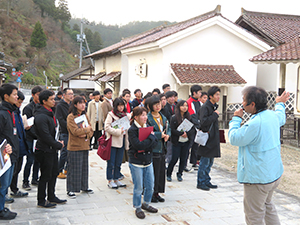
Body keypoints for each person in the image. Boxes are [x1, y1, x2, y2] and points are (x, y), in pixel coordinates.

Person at [228, 87, 289, 225]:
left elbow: (235, 138)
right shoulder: (272, 116)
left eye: (244, 100)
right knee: (268, 206)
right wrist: (279, 103)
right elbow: (281, 116)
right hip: (273, 173)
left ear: (253, 104)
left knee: (254, 215)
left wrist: (236, 119)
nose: (242, 103)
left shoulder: (255, 123)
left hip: (258, 178)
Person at [34, 90, 66, 208]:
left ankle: (51, 196)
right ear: (44, 101)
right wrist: (57, 145)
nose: (54, 101)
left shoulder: (50, 112)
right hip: (44, 150)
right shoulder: (41, 116)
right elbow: (45, 135)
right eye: (52, 99)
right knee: (45, 175)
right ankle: (41, 200)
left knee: (53, 173)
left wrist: (57, 143)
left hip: (52, 149)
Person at [128, 107, 158, 219]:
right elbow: (138, 145)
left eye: (145, 115)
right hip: (136, 162)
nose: (145, 117)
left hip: (148, 160)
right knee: (138, 187)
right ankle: (138, 207)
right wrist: (150, 138)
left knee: (150, 185)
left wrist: (149, 141)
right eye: (142, 115)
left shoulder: (148, 127)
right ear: (136, 117)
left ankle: (146, 203)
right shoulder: (132, 130)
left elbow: (155, 142)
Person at [66, 96, 94, 199]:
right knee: (73, 169)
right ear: (75, 105)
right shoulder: (71, 117)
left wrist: (85, 133)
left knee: (84, 168)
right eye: (80, 103)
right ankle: (71, 189)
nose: (83, 105)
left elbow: (91, 130)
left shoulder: (85, 115)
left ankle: (84, 186)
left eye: (84, 103)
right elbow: (75, 132)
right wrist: (86, 131)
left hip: (85, 145)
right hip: (74, 146)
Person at [0, 83, 19, 220]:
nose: (17, 97)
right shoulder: (2, 113)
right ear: (6, 96)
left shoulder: (10, 111)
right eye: (14, 94)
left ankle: (2, 206)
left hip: (11, 154)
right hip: (4, 154)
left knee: (5, 184)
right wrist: (5, 146)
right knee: (2, 184)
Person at [147, 95, 170, 203]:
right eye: (155, 104)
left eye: (159, 104)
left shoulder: (163, 117)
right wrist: (159, 135)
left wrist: (167, 135)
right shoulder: (148, 118)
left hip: (162, 148)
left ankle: (157, 192)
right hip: (154, 148)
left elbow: (167, 129)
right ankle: (151, 193)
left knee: (161, 172)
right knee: (153, 173)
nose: (158, 106)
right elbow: (147, 132)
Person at [197, 86, 221, 191]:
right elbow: (204, 122)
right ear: (210, 96)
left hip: (213, 138)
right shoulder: (205, 107)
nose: (218, 97)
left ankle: (207, 180)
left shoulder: (213, 106)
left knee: (210, 162)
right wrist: (215, 115)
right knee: (204, 161)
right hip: (207, 138)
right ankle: (201, 182)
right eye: (216, 95)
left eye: (219, 94)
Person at [104, 98, 131, 189]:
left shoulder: (125, 116)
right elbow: (107, 127)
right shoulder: (111, 115)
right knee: (111, 162)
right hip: (113, 142)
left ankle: (116, 178)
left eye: (122, 105)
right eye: (119, 105)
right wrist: (118, 131)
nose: (121, 107)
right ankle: (110, 180)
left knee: (118, 162)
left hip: (122, 141)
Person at [167, 100, 195, 182]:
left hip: (186, 141)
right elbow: (172, 130)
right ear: (179, 107)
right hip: (177, 142)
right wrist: (180, 133)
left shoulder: (189, 117)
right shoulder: (174, 117)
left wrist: (187, 134)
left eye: (186, 105)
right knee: (174, 159)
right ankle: (169, 173)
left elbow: (192, 129)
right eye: (182, 106)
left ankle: (180, 174)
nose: (184, 107)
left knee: (184, 159)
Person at [22, 85, 43, 190]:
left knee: (38, 160)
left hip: (39, 138)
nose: (39, 97)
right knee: (30, 159)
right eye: (38, 95)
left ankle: (35, 179)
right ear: (33, 95)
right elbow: (27, 125)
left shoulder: (41, 107)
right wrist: (35, 134)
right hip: (30, 137)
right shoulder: (28, 108)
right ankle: (25, 181)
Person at [10, 91, 29, 198]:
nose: (20, 104)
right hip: (12, 147)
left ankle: (14, 189)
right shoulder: (9, 112)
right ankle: (9, 191)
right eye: (19, 101)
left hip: (20, 146)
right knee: (12, 171)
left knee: (17, 170)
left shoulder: (17, 112)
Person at [56, 88, 74, 179]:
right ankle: (59, 170)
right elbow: (60, 120)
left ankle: (67, 168)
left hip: (73, 132)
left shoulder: (72, 105)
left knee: (71, 152)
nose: (71, 96)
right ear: (64, 95)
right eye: (69, 94)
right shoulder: (60, 105)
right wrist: (70, 126)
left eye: (72, 94)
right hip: (64, 132)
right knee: (64, 152)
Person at [186, 85, 202, 170]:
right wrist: (198, 124)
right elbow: (192, 115)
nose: (200, 93)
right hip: (190, 126)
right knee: (188, 145)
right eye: (199, 92)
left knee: (196, 145)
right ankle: (184, 164)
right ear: (194, 93)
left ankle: (194, 162)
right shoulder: (189, 102)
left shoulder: (199, 102)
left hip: (197, 126)